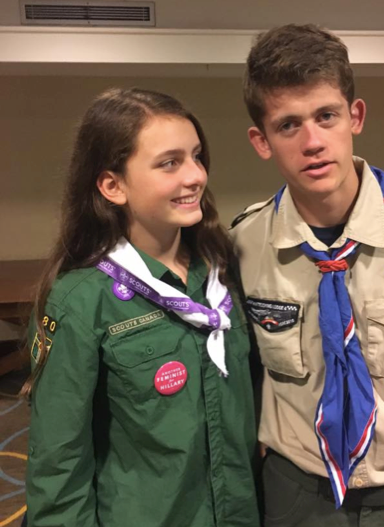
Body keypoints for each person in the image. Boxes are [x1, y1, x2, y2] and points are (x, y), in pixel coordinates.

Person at [231, 24, 384, 527]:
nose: (312, 141)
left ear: (354, 117)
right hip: (297, 498)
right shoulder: (243, 246)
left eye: (326, 116)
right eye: (288, 125)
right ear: (262, 140)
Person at [23, 88, 260, 527]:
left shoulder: (224, 272)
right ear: (112, 185)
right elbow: (59, 467)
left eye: (196, 156)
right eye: (169, 163)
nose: (194, 176)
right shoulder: (82, 300)